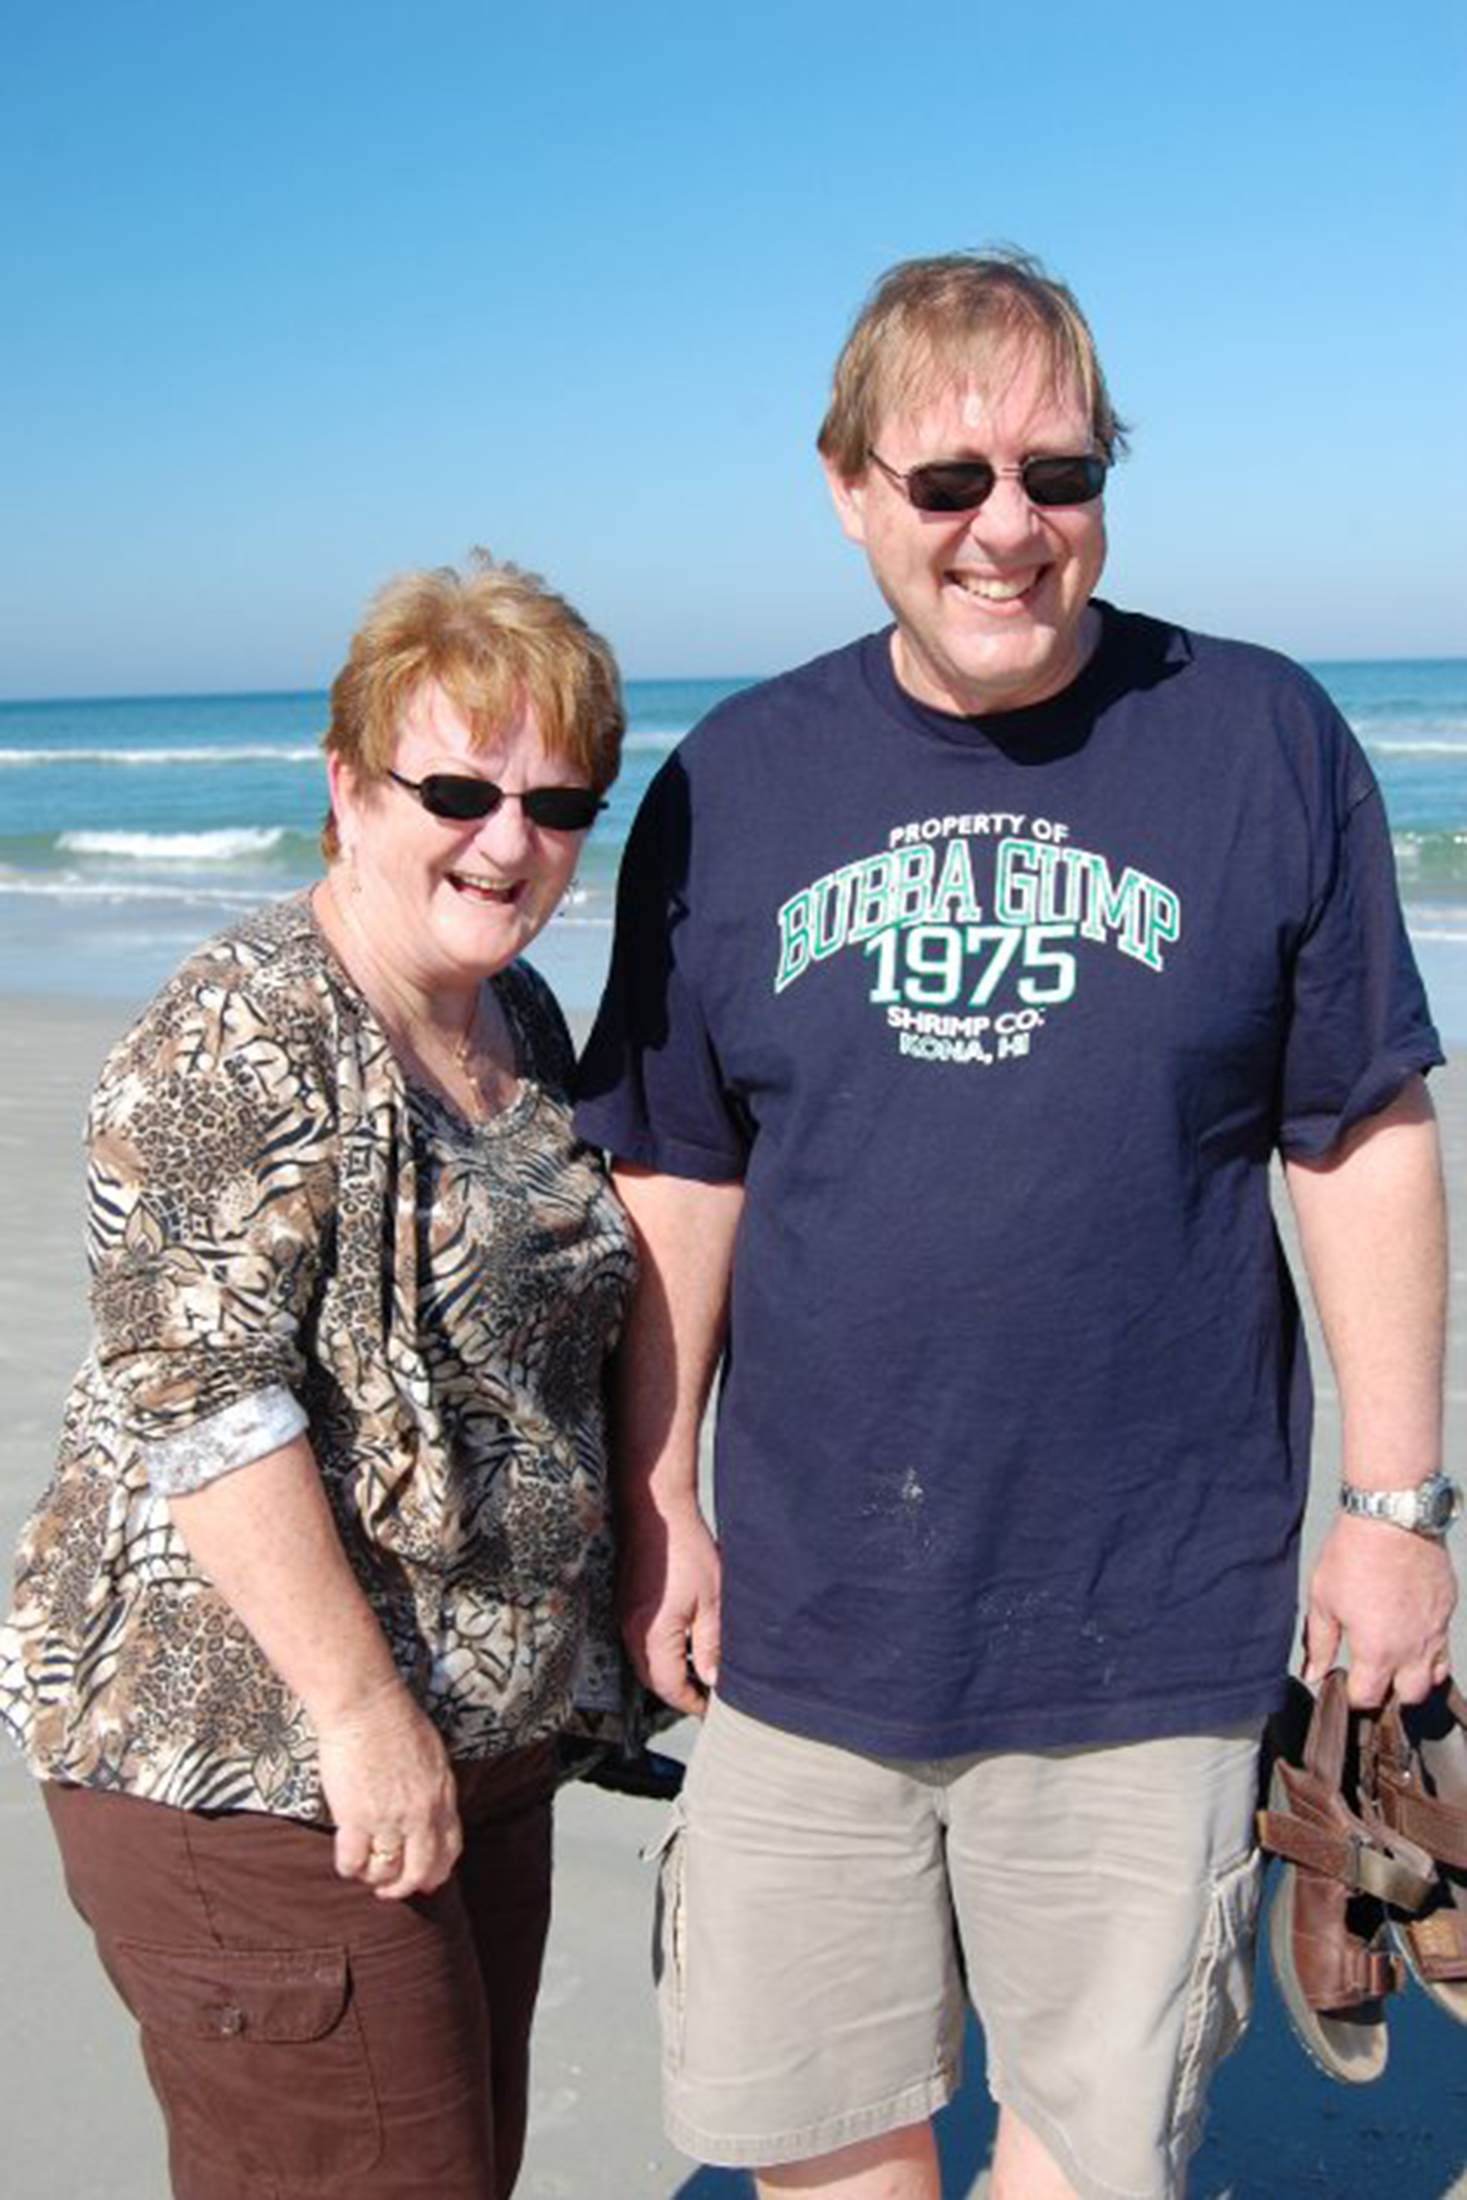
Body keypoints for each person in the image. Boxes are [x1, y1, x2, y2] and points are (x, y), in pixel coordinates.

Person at [575, 253, 1457, 2200]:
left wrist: (1391, 1508)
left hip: (1146, 1621)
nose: (1005, 528)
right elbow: (679, 1170)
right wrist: (658, 1495)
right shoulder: (734, 787)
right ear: (844, 487)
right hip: (809, 1627)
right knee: (812, 2140)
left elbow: (1358, 1128)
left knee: (1086, 2145)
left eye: (1055, 475)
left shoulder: (1254, 740)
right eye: (945, 481)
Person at [0, 554, 634, 2200]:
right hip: (264, 1770)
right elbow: (202, 1404)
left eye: (559, 799)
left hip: (469, 1754)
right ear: (347, 787)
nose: (511, 840)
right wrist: (361, 1716)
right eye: (459, 787)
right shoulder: (239, 1034)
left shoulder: (522, 1021)